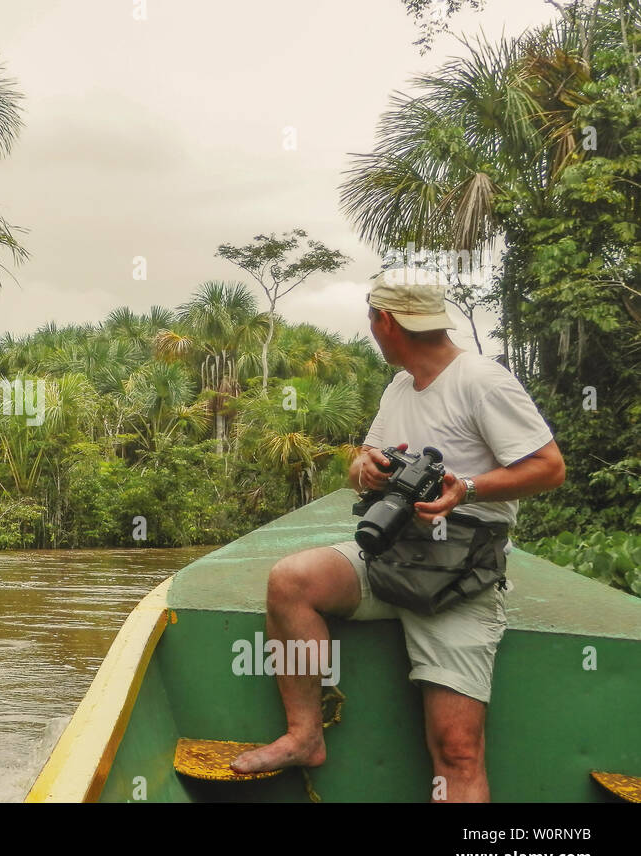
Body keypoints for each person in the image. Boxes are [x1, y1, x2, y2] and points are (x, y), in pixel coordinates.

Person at [229, 271, 565, 802]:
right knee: (292, 581)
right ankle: (304, 735)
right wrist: (368, 468)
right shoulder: (401, 385)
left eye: (371, 319)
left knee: (457, 750)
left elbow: (549, 468)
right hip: (391, 551)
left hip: (461, 573)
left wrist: (466, 488)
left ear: (384, 321)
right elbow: (365, 457)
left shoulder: (482, 380)